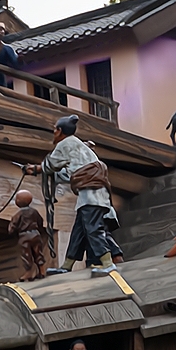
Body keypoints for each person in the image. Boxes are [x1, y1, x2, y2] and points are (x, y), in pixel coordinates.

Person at [28, 115, 121, 272]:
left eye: (55, 128)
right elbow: (70, 174)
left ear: (60, 131)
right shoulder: (78, 146)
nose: (53, 131)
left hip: (92, 194)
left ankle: (108, 264)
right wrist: (41, 171)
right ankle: (66, 266)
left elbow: (50, 165)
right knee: (79, 231)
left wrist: (36, 169)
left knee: (93, 228)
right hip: (91, 194)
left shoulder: (65, 143)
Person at [10, 189, 51, 281]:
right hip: (35, 234)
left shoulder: (19, 214)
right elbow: (40, 221)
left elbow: (12, 226)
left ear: (18, 201)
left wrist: (12, 231)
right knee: (38, 252)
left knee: (26, 254)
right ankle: (42, 270)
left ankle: (29, 273)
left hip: (24, 236)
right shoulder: (34, 212)